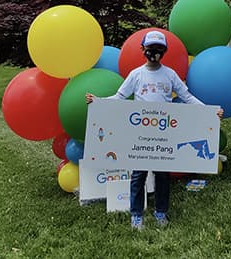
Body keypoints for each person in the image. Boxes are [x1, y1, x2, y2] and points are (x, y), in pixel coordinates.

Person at [85, 30, 223, 230]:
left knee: (162, 176)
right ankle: (136, 214)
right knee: (138, 176)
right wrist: (99, 102)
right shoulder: (136, 74)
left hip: (163, 136)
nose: (155, 52)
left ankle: (161, 211)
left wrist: (210, 112)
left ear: (164, 51)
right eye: (151, 48)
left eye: (159, 49)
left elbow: (187, 97)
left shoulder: (170, 74)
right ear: (143, 49)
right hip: (140, 137)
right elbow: (119, 97)